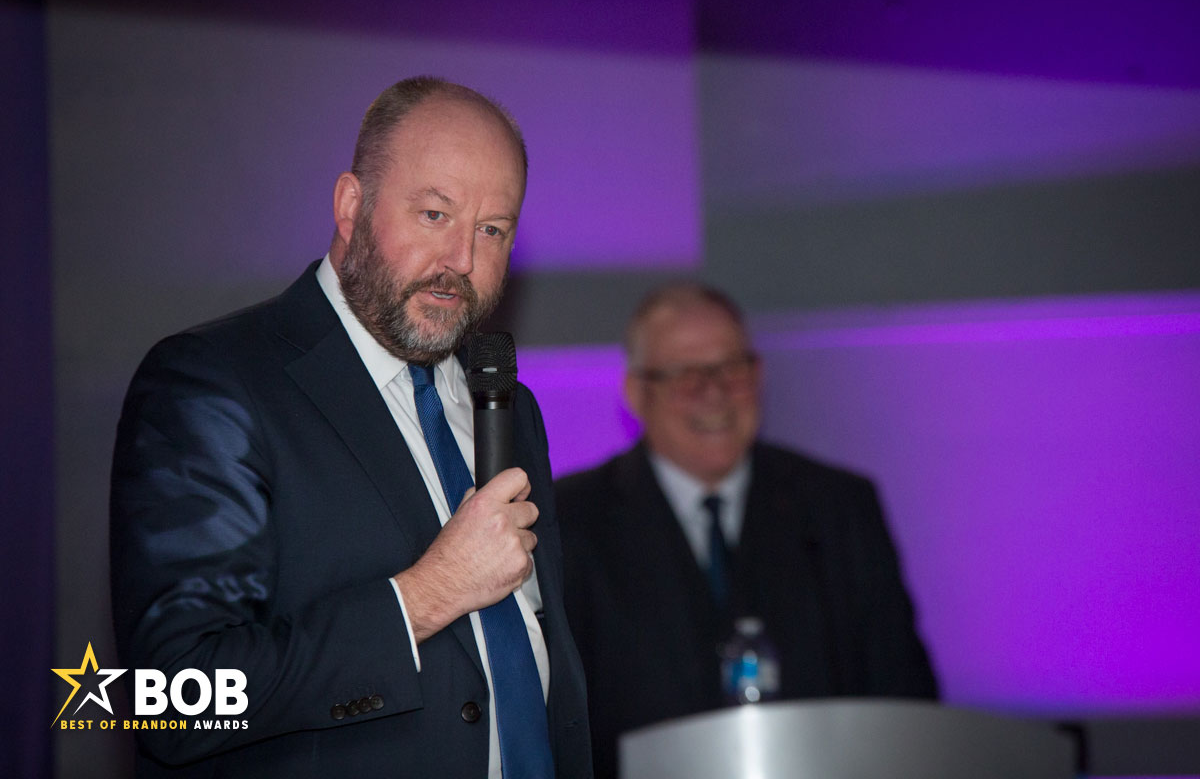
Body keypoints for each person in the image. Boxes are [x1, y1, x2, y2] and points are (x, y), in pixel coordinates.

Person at [110, 77, 591, 778]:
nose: (461, 260)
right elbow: (170, 700)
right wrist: (426, 596)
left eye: (492, 230)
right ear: (350, 206)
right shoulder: (215, 382)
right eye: (435, 214)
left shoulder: (508, 404)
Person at [556, 283, 937, 778]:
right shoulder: (569, 521)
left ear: (758, 375)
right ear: (636, 393)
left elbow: (905, 705)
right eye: (685, 374)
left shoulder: (839, 507)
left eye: (731, 369)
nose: (714, 392)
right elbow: (556, 727)